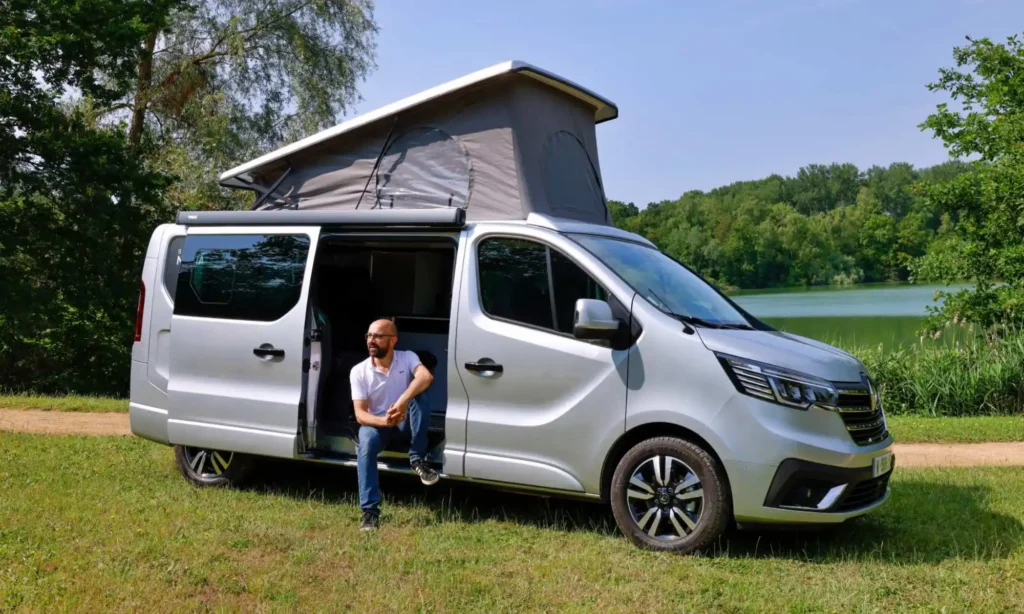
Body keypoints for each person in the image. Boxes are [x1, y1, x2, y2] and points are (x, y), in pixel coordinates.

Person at [350, 318, 439, 531]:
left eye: (378, 336)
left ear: (393, 341)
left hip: (404, 423)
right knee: (366, 444)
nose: (372, 341)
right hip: (377, 424)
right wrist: (384, 420)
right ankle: (370, 512)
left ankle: (417, 459)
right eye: (369, 336)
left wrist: (402, 401)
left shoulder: (407, 357)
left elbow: (426, 377)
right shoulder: (359, 371)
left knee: (420, 398)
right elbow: (361, 415)